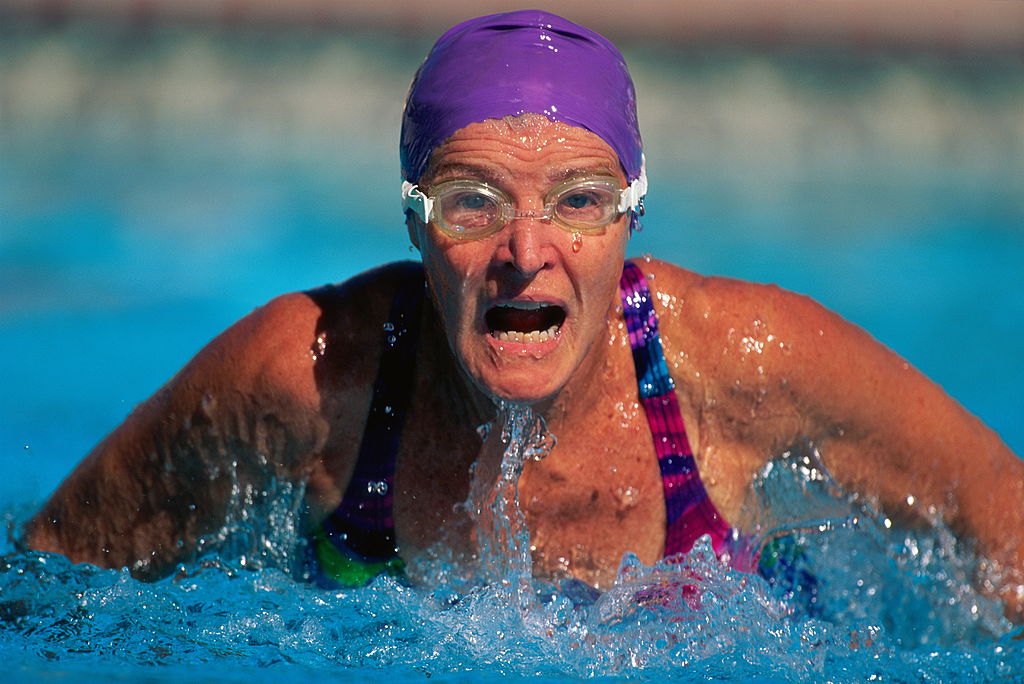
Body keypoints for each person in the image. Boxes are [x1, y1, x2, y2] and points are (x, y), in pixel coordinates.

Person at [23, 10, 1024, 620]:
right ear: (415, 225)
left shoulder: (744, 366)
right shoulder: (311, 378)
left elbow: (1004, 526)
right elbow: (51, 589)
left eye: (579, 201)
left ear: (630, 215)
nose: (527, 250)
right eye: (473, 203)